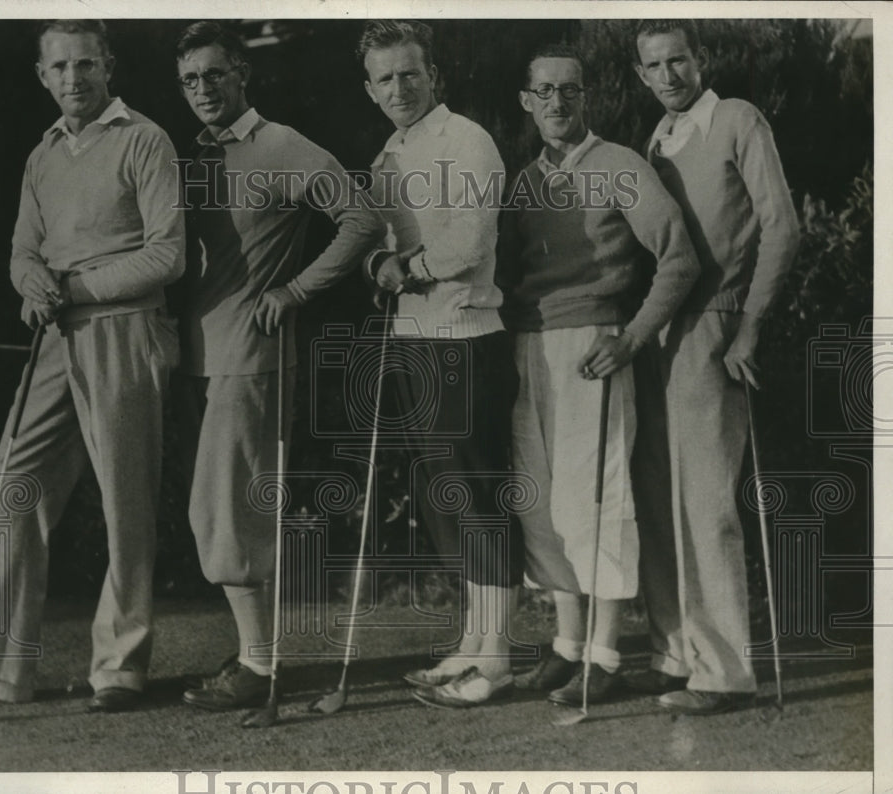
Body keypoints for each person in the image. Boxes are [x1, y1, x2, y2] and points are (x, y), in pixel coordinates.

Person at [0, 20, 184, 713]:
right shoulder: (43, 156)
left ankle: (119, 667)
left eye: (86, 64)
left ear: (108, 68)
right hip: (58, 337)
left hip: (126, 331)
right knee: (6, 485)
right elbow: (22, 252)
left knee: (124, 502)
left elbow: (167, 256)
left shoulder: (144, 139)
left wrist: (74, 288)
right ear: (44, 76)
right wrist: (32, 283)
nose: (74, 78)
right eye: (61, 67)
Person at [172, 21, 381, 711]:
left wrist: (295, 290)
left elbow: (360, 218)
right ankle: (255, 659)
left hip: (256, 354)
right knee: (216, 509)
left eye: (215, 74)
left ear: (242, 74)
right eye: (190, 80)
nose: (203, 89)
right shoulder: (196, 156)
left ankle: (260, 668)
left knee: (231, 510)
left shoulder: (280, 144)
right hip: (204, 353)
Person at [497, 43, 700, 706]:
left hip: (594, 345)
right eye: (546, 91)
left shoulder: (619, 165)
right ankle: (568, 645)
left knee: (598, 498)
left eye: (571, 90)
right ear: (528, 101)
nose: (559, 102)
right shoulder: (524, 180)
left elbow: (679, 259)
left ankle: (607, 656)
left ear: (588, 98)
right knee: (544, 503)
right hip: (529, 345)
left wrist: (633, 337)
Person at [630, 19, 800, 714]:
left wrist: (749, 328)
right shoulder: (657, 138)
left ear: (701, 60)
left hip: (717, 326)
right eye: (655, 66)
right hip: (660, 332)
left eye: (679, 60)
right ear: (641, 75)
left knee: (706, 502)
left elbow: (782, 225)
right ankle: (676, 655)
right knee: (657, 496)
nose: (669, 75)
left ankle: (726, 673)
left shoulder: (735, 118)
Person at [357, 19, 524, 708]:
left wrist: (406, 267)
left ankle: (501, 657)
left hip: (466, 336)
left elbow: (469, 244)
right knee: (445, 497)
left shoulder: (469, 141)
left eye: (410, 73)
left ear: (434, 77)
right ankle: (474, 642)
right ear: (370, 89)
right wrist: (378, 264)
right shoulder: (386, 158)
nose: (399, 86)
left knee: (480, 497)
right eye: (385, 77)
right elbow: (375, 244)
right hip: (414, 339)